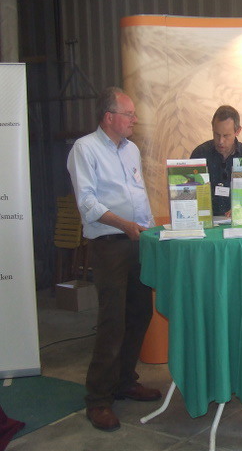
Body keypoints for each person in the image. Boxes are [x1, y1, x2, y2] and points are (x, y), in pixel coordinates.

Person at [67, 87, 161, 432]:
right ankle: (98, 399)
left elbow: (138, 194)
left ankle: (124, 381)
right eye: (129, 114)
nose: (134, 119)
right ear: (109, 117)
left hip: (137, 242)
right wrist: (124, 225)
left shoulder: (131, 149)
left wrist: (148, 230)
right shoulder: (85, 149)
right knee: (112, 321)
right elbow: (87, 203)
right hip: (109, 245)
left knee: (140, 312)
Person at [190, 105, 242, 216]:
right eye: (217, 134)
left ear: (238, 131)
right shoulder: (199, 155)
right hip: (206, 221)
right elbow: (189, 194)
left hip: (238, 221)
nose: (220, 141)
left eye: (226, 135)